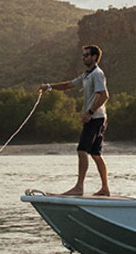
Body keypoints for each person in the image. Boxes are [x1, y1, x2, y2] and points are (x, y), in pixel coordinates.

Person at [39, 45, 110, 196]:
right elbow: (68, 85)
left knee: (82, 150)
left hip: (96, 118)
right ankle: (105, 189)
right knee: (96, 154)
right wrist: (49, 87)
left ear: (94, 57)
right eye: (83, 55)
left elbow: (104, 96)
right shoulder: (86, 75)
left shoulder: (97, 74)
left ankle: (79, 187)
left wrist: (89, 112)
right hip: (97, 119)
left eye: (86, 55)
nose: (83, 57)